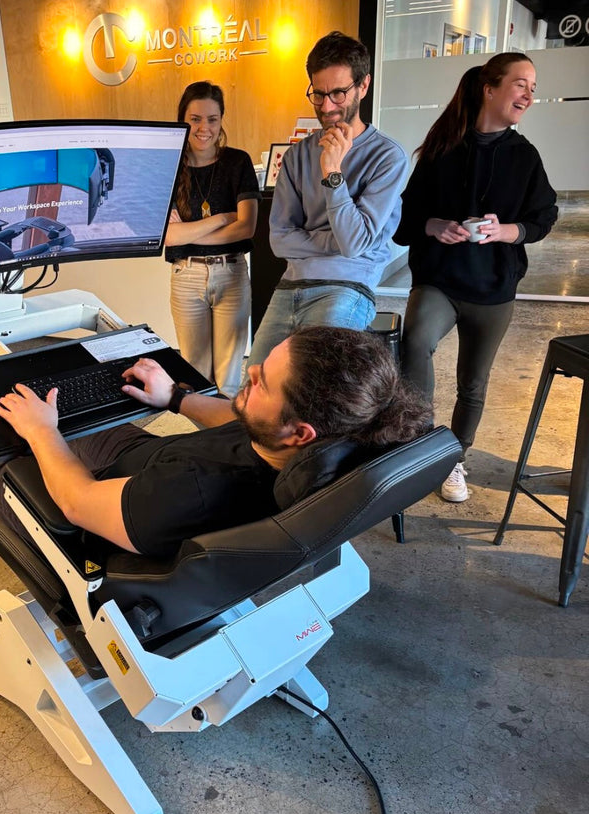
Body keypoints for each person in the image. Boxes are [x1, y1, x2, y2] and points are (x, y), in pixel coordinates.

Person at [0, 327, 430, 557]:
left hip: (105, 507)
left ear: (298, 431)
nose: (245, 379)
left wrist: (43, 436)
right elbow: (237, 422)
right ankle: (3, 443)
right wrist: (175, 398)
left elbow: (78, 504)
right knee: (73, 426)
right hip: (146, 462)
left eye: (258, 383)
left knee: (3, 467)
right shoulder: (336, 436)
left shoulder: (196, 494)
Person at [394, 54, 558, 503]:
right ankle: (420, 445)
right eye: (520, 84)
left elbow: (544, 217)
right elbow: (404, 217)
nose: (529, 94)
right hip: (440, 280)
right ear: (490, 89)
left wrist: (508, 231)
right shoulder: (444, 148)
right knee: (415, 343)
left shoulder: (525, 157)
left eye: (532, 86)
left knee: (473, 383)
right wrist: (433, 226)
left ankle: (453, 460)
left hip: (494, 289)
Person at [247, 31, 408, 369]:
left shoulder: (388, 157)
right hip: (290, 286)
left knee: (312, 388)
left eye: (338, 93)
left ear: (363, 86)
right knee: (254, 388)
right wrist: (336, 239)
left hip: (347, 288)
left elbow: (353, 242)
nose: (326, 106)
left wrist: (333, 173)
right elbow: (279, 240)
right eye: (318, 94)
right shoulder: (296, 156)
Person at [164, 81, 260, 397]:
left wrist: (189, 232)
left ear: (221, 121)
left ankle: (226, 437)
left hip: (231, 273)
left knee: (230, 375)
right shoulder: (169, 168)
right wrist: (221, 218)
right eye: (195, 119)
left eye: (213, 119)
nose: (204, 128)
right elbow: (168, 236)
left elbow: (246, 227)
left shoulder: (238, 162)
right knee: (193, 371)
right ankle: (199, 438)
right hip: (186, 275)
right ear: (182, 119)